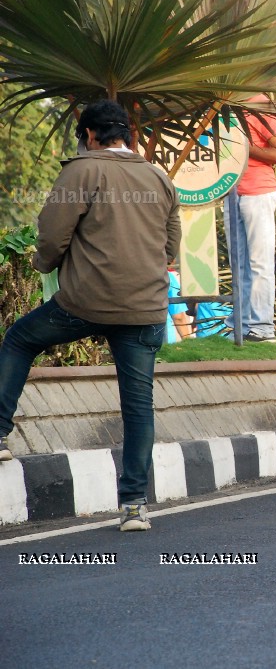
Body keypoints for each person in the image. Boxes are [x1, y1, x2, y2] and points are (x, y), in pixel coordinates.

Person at [0, 100, 181, 531]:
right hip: (145, 308)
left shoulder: (80, 170)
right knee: (139, 405)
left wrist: (45, 266)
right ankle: (134, 505)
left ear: (91, 136)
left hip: (84, 303)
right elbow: (171, 245)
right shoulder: (158, 177)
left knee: (20, 340)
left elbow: (52, 233)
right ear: (127, 136)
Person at [226, 94, 276, 343]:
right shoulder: (226, 107)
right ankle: (240, 324)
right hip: (230, 191)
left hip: (258, 191)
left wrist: (242, 146)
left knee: (259, 263)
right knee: (238, 263)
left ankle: (262, 327)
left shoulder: (259, 105)